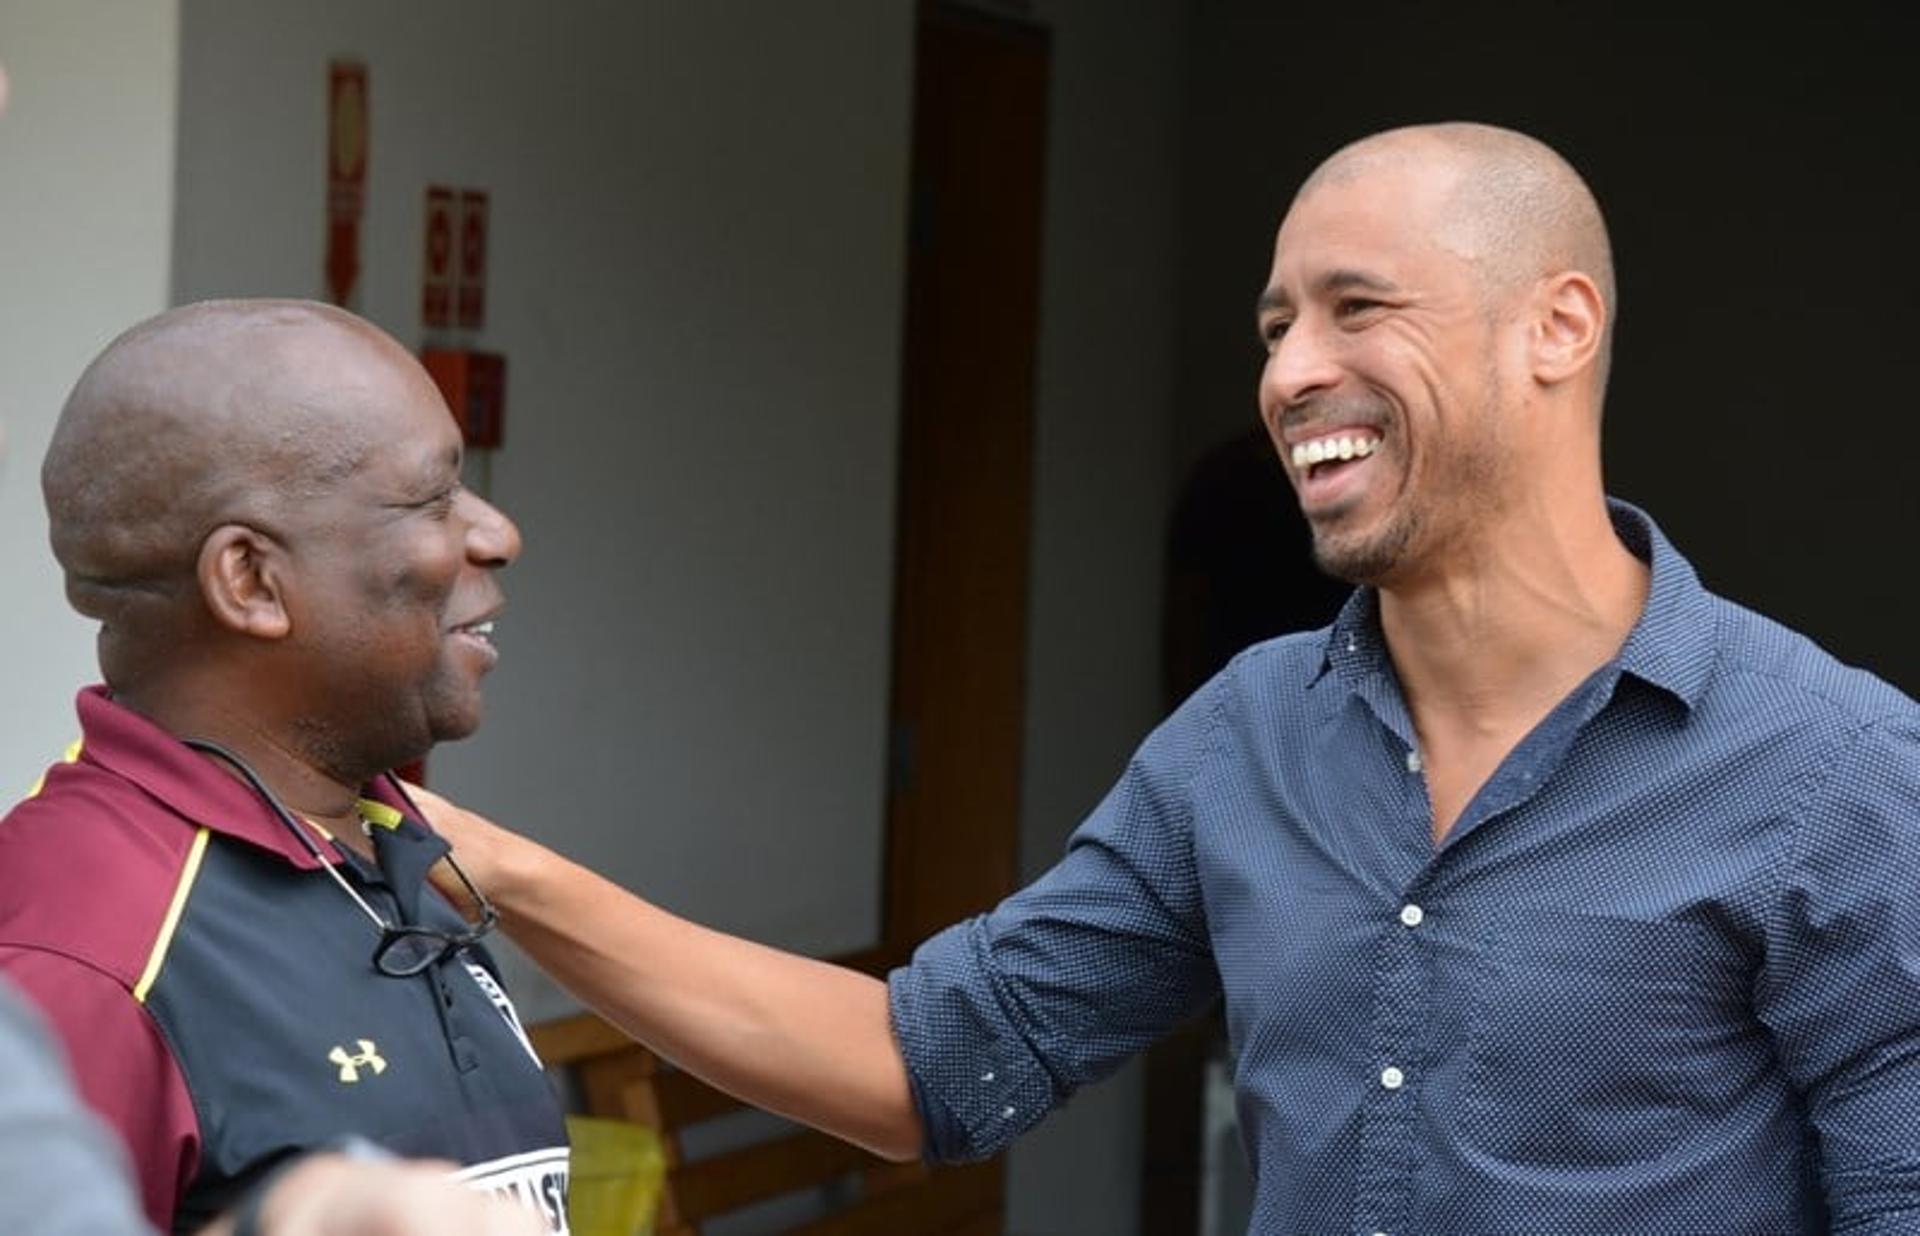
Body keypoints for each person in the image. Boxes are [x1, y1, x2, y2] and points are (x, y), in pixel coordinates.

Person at [418, 122, 1919, 1232]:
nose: (1287, 374)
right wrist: (491, 869)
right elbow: (923, 1064)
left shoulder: (1832, 769)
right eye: (1275, 328)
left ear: (1558, 327)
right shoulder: (1245, 742)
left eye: (1357, 309)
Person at [0, 300, 571, 1235]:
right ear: (253, 582)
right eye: (432, 499)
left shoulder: (386, 849)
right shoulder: (81, 953)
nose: (497, 533)